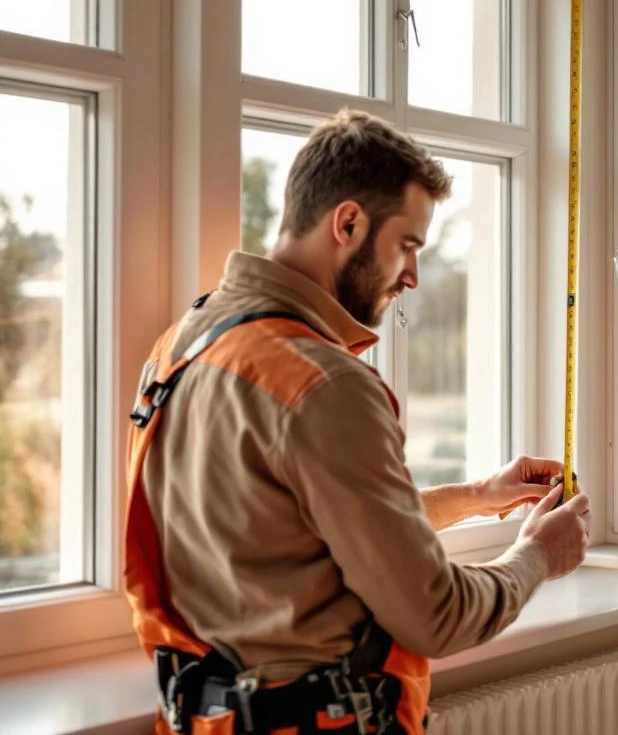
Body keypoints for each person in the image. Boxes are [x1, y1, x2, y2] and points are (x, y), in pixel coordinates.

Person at [123, 108, 590, 735]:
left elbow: (301, 530)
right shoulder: (324, 383)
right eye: (408, 245)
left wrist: (478, 498)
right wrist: (537, 556)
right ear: (348, 222)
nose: (414, 276)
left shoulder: (183, 345)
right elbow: (437, 616)